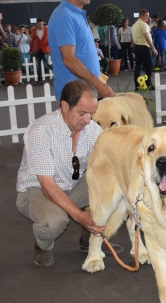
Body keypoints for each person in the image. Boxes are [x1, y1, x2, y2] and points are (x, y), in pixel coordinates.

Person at [15, 80, 122, 268]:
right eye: (82, 113)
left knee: (114, 186)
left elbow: (111, 165)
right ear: (65, 106)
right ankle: (43, 246)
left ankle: (90, 237)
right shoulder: (41, 131)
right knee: (56, 220)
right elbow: (47, 186)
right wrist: (80, 217)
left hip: (72, 186)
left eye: (91, 113)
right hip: (36, 190)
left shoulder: (92, 130)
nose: (88, 120)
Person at [48, 0, 115, 100]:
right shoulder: (65, 16)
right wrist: (99, 85)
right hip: (77, 96)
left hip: (84, 92)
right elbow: (69, 59)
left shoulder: (74, 14)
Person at [132, 9, 158, 90]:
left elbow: (146, 31)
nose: (148, 17)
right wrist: (153, 48)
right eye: (146, 15)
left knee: (138, 66)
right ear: (142, 15)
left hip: (137, 46)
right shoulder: (143, 25)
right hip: (144, 47)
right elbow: (147, 36)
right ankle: (148, 83)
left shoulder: (135, 25)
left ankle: (137, 85)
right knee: (149, 66)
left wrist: (149, 24)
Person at [30, 19, 51, 85]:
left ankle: (56, 72)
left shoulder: (47, 29)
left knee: (46, 65)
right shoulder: (34, 30)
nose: (41, 25)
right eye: (39, 24)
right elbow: (33, 40)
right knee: (37, 66)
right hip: (37, 50)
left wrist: (49, 45)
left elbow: (51, 37)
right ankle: (40, 80)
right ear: (37, 24)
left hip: (45, 49)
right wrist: (30, 50)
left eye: (42, 24)